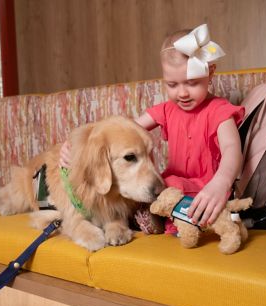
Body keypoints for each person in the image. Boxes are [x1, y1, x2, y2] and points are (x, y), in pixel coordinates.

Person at [60, 24, 244, 235]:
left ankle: (181, 221)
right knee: (152, 186)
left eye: (191, 83)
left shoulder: (219, 111)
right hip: (171, 189)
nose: (182, 93)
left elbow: (232, 149)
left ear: (210, 73)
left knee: (168, 186)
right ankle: (158, 219)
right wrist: (77, 147)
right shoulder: (166, 110)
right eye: (172, 85)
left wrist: (221, 183)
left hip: (208, 190)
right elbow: (120, 132)